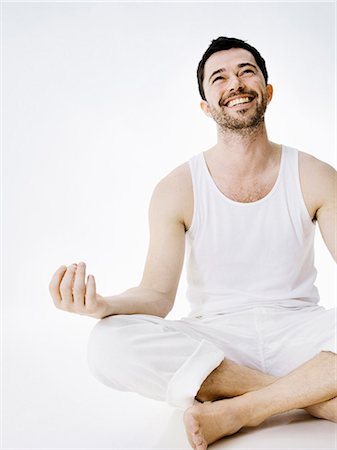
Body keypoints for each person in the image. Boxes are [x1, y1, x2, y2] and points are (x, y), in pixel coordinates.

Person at [49, 37, 337, 450]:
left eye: (246, 71)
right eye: (218, 78)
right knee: (107, 344)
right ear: (206, 105)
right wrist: (104, 306)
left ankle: (242, 408)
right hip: (218, 343)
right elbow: (156, 295)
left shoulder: (315, 174)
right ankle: (307, 397)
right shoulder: (176, 187)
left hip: (301, 332)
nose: (234, 83)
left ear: (268, 92)